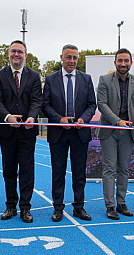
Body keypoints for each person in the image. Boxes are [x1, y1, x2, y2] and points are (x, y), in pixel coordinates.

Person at [43, 44, 96, 222]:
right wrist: (59, 119)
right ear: (61, 57)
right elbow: (46, 105)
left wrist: (83, 119)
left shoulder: (86, 79)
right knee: (58, 172)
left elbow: (91, 105)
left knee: (79, 172)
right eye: (68, 57)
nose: (72, 61)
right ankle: (58, 208)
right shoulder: (50, 79)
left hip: (80, 132)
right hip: (58, 132)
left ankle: (79, 207)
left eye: (75, 57)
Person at [0, 40, 42, 223]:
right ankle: (10, 206)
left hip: (27, 131)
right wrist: (7, 117)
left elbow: (37, 101)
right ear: (8, 53)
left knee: (27, 170)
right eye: (14, 51)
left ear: (25, 55)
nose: (16, 55)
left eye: (20, 52)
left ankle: (25, 208)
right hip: (7, 131)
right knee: (9, 170)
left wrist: (32, 117)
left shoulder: (34, 76)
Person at [97, 48, 134, 220]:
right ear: (115, 62)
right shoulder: (104, 80)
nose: (123, 64)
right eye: (120, 61)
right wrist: (117, 121)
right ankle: (110, 205)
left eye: (126, 61)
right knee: (109, 168)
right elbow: (102, 104)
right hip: (110, 130)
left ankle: (122, 202)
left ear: (131, 63)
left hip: (129, 131)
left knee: (124, 169)